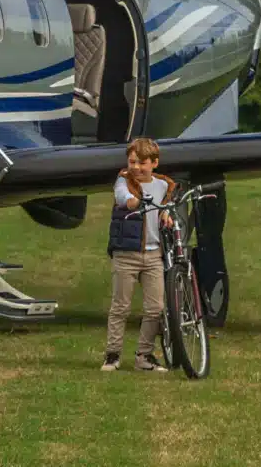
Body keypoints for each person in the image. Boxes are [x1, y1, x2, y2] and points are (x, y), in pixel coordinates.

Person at [102, 137, 175, 373]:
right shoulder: (124, 180)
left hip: (153, 255)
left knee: (155, 308)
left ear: (154, 163)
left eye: (142, 163)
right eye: (132, 161)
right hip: (126, 253)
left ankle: (144, 356)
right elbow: (122, 196)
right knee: (120, 307)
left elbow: (167, 207)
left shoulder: (163, 185)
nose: (136, 167)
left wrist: (167, 214)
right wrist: (133, 202)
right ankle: (113, 354)